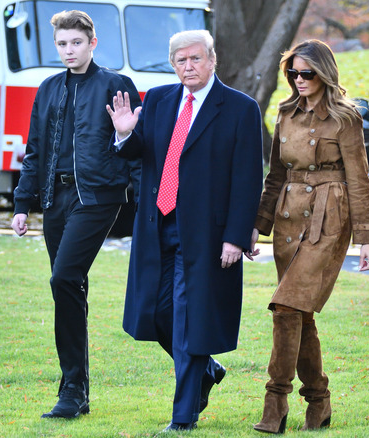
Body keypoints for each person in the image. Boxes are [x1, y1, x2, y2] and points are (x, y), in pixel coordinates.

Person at [106, 30, 264, 432]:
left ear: (212, 60)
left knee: (190, 321)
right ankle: (207, 370)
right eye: (181, 60)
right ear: (172, 64)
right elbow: (140, 152)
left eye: (195, 58)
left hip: (207, 235)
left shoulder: (240, 108)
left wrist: (236, 234)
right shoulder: (158, 99)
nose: (188, 67)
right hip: (157, 227)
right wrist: (125, 132)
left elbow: (248, 177)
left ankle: (183, 417)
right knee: (156, 314)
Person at [11, 10, 141, 419]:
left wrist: (146, 202)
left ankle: (71, 389)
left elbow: (138, 147)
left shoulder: (116, 85)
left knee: (64, 277)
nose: (70, 50)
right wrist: (22, 203)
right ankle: (76, 392)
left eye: (77, 43)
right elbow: (35, 149)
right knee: (69, 288)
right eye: (63, 44)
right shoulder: (48, 88)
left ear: (92, 43)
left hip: (98, 197)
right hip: (55, 199)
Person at [250, 39, 369, 434]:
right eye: (293, 72)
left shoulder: (345, 118)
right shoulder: (285, 113)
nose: (299, 79)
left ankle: (275, 402)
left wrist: (366, 237)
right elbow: (275, 176)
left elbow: (359, 180)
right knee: (298, 313)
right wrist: (257, 224)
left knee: (286, 308)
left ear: (323, 73)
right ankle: (319, 403)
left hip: (329, 217)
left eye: (307, 73)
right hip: (288, 218)